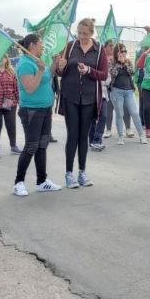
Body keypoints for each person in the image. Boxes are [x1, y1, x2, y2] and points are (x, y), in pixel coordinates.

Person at [54, 18, 109, 188]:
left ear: (92, 33)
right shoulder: (70, 47)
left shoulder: (99, 50)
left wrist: (89, 71)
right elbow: (59, 72)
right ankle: (69, 174)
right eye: (79, 33)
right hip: (70, 97)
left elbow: (104, 74)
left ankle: (82, 172)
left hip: (89, 98)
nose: (81, 36)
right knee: (72, 135)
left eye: (85, 34)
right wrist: (60, 67)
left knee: (83, 136)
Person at [13, 34, 63, 196]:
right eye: (41, 43)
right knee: (31, 146)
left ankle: (42, 181)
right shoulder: (25, 64)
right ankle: (18, 183)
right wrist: (41, 70)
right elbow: (30, 88)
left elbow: (47, 78)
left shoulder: (37, 61)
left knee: (42, 145)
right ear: (33, 45)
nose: (43, 46)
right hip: (31, 111)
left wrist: (53, 65)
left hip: (45, 109)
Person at [109, 44, 148, 146]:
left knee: (134, 113)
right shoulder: (112, 62)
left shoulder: (129, 61)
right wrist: (119, 64)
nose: (124, 53)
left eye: (125, 51)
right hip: (117, 91)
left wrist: (124, 63)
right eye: (121, 51)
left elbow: (132, 72)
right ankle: (120, 137)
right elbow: (113, 73)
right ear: (117, 52)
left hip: (129, 91)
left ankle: (141, 135)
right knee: (119, 114)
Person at [89, 40, 114, 151]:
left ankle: (97, 139)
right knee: (93, 118)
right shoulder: (91, 61)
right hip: (92, 93)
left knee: (103, 115)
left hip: (103, 94)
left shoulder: (106, 63)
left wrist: (104, 77)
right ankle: (92, 140)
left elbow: (107, 79)